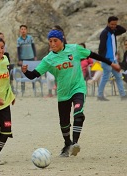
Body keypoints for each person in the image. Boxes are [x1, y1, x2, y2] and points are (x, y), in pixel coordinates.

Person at [21, 29, 121, 157]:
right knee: (64, 123)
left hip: (78, 88)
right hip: (63, 93)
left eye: (55, 41)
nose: (52, 44)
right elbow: (33, 75)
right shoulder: (48, 59)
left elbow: (94, 55)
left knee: (79, 114)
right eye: (50, 41)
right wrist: (25, 71)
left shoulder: (74, 49)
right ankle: (67, 143)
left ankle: (74, 143)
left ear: (61, 40)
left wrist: (112, 64)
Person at [97, 16, 127, 101]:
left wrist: (116, 26)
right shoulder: (105, 33)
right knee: (106, 77)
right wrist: (102, 58)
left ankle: (123, 95)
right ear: (108, 23)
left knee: (118, 76)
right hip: (107, 59)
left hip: (113, 59)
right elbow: (101, 47)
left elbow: (123, 30)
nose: (114, 26)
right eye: (112, 24)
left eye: (115, 24)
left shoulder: (113, 32)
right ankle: (100, 95)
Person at [17, 25, 37, 94]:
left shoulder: (30, 38)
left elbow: (33, 47)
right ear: (20, 31)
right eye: (22, 29)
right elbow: (18, 50)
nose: (23, 31)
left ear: (27, 30)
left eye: (24, 29)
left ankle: (34, 89)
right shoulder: (19, 40)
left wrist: (35, 56)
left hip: (31, 57)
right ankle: (23, 90)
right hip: (23, 59)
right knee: (23, 74)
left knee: (32, 73)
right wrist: (19, 59)